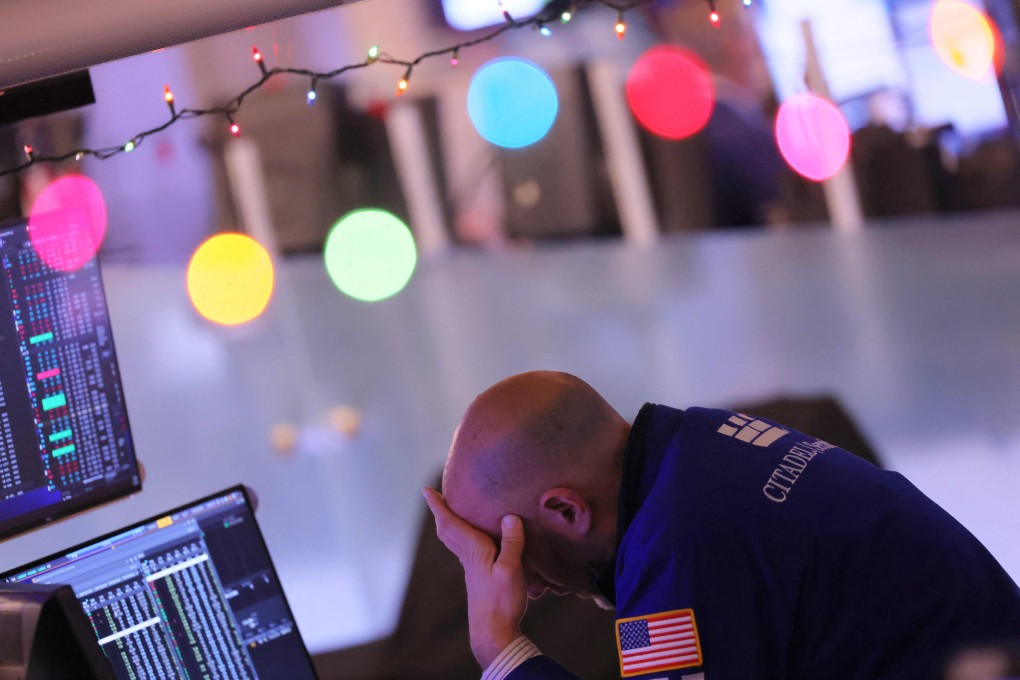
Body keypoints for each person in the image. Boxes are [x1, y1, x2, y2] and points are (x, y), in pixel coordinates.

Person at [424, 371, 1020, 680]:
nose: (520, 586)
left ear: (566, 511)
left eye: (506, 548)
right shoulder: (701, 443)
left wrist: (500, 650)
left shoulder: (678, 551)